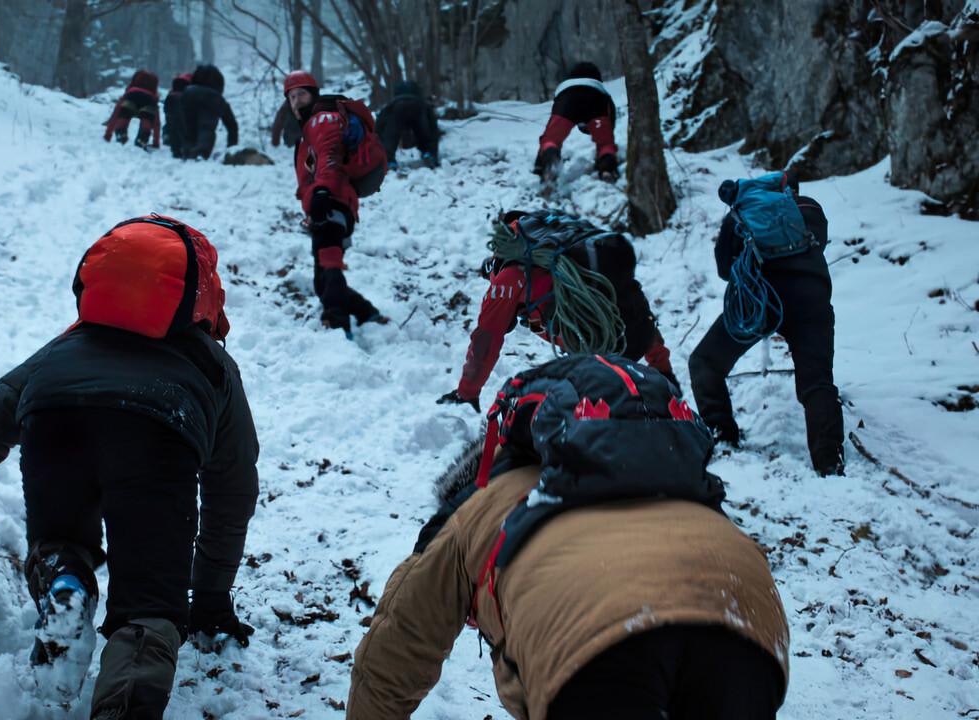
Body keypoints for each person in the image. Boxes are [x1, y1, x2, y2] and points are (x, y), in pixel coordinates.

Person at [0, 216, 259, 719]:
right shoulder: (212, 365)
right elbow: (232, 488)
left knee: (59, 543)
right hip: (160, 432)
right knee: (148, 606)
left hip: (54, 416)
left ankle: (64, 581)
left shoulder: (67, 347)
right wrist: (211, 597)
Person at [347, 409, 790, 719]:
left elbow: (392, 660)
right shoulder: (649, 473)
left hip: (601, 643)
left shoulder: (469, 512)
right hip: (744, 613)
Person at [438, 210, 677, 412]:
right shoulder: (569, 251)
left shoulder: (510, 278)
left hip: (602, 359)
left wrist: (467, 392)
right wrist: (663, 369)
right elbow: (628, 297)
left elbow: (486, 340)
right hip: (637, 335)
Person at [688, 175, 844, 476]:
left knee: (705, 361)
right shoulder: (811, 209)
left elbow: (724, 269)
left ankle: (723, 435)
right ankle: (830, 463)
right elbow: (817, 246)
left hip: (760, 301)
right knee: (817, 382)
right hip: (812, 300)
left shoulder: (742, 212)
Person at [284, 70, 389, 336]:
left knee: (329, 263)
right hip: (328, 202)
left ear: (314, 95)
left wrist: (321, 192)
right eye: (291, 97)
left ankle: (337, 323)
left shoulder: (322, 120)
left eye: (301, 94)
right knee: (322, 278)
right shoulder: (309, 128)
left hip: (331, 199)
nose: (296, 101)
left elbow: (330, 157)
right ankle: (366, 312)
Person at [535, 62, 619, 183]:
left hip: (566, 101)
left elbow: (553, 123)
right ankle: (607, 169)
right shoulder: (600, 90)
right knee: (605, 143)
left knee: (551, 139)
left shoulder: (565, 87)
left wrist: (538, 165)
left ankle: (548, 162)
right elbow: (610, 123)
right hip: (595, 100)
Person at [375, 80, 440, 169]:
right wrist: (433, 151)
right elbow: (433, 127)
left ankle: (388, 160)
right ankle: (428, 154)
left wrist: (378, 136)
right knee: (424, 132)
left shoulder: (393, 103)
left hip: (397, 109)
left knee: (391, 135)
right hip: (418, 107)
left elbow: (380, 125)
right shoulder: (422, 102)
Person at [180, 65, 239, 159]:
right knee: (206, 127)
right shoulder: (216, 97)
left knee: (189, 127)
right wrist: (232, 146)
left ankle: (187, 152)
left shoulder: (188, 91)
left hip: (190, 95)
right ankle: (200, 152)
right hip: (211, 98)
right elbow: (231, 124)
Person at [103, 70, 161, 149]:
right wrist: (156, 142)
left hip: (131, 96)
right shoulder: (152, 93)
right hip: (149, 100)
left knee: (123, 116)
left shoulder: (131, 89)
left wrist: (108, 134)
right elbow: (156, 123)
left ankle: (121, 132)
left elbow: (115, 114)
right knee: (146, 121)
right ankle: (142, 138)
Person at [163, 73, 192, 158]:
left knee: (171, 124)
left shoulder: (177, 82)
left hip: (170, 100)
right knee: (183, 125)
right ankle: (184, 146)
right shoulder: (191, 81)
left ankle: (172, 144)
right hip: (183, 100)